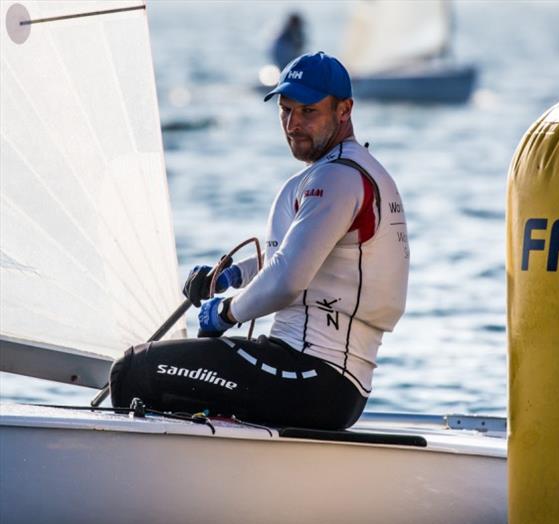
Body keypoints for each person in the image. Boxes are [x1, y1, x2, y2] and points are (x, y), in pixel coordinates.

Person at [109, 52, 410, 430]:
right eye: (285, 110)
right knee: (173, 378)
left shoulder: (336, 179)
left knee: (133, 371)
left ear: (344, 110)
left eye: (308, 111)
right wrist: (232, 276)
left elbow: (285, 281)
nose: (293, 124)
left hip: (309, 376)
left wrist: (225, 312)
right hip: (328, 385)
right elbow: (296, 257)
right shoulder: (354, 172)